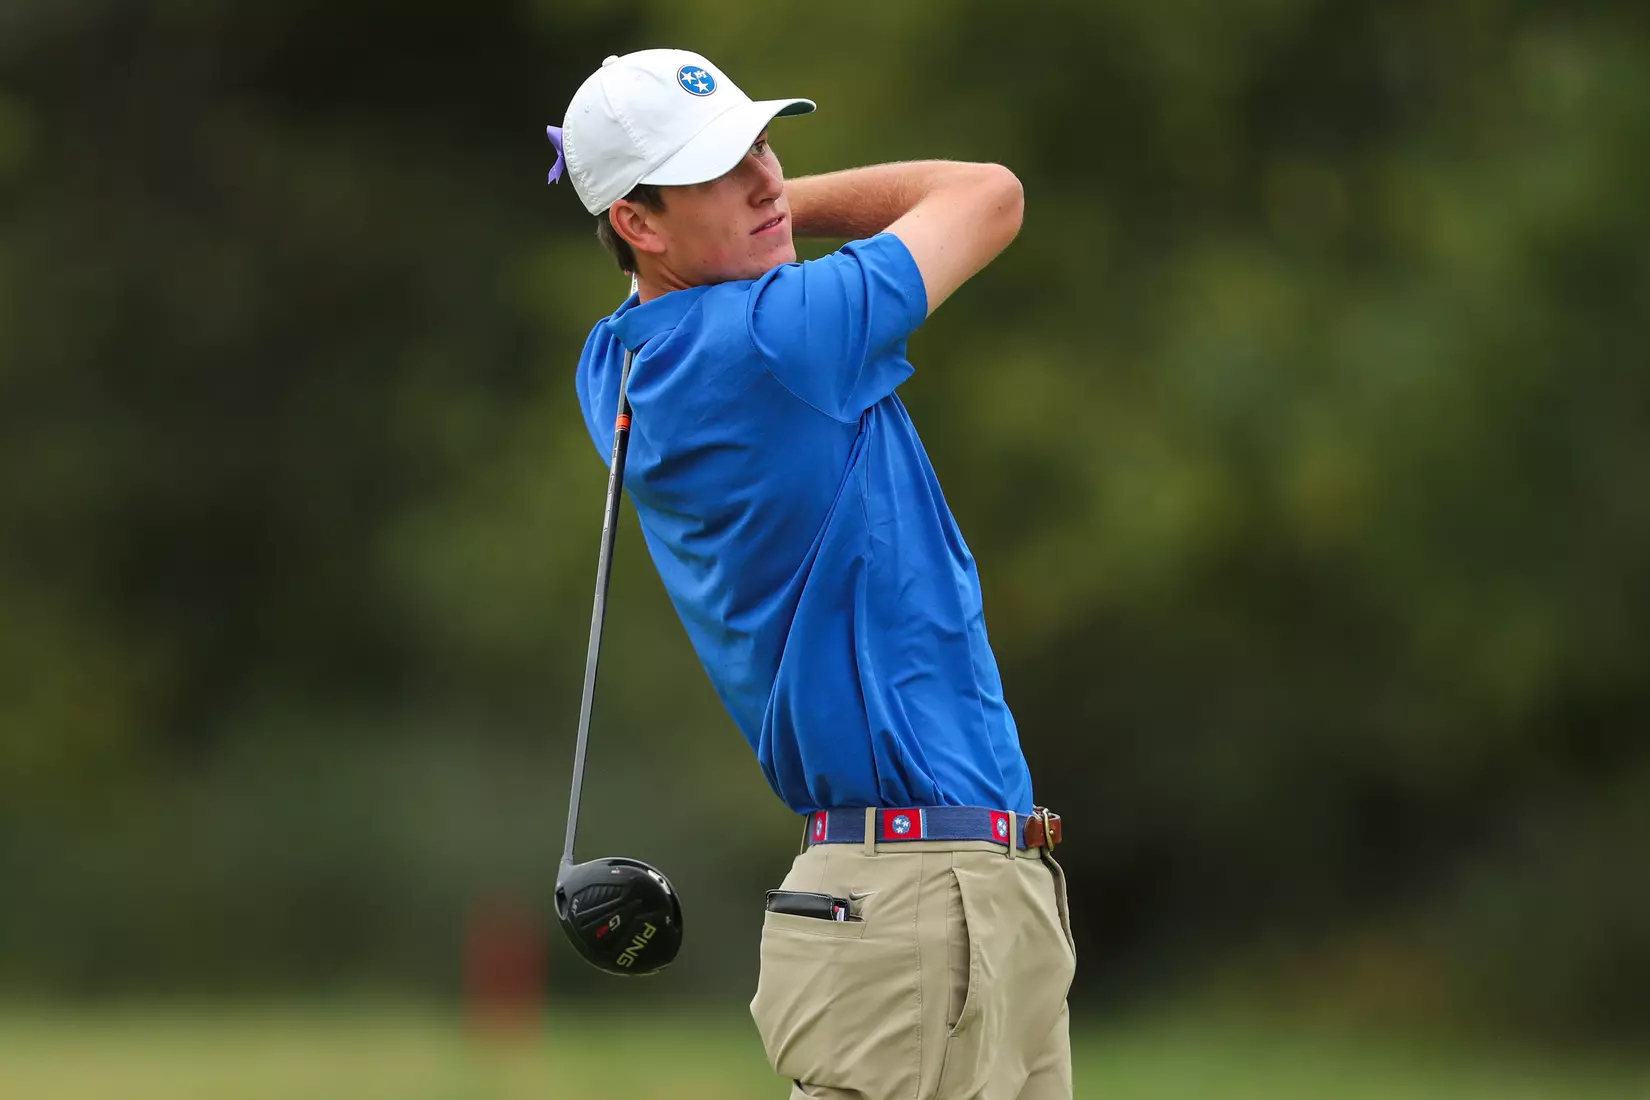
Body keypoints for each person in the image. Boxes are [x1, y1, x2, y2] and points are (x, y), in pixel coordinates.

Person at [549, 48, 1076, 1100]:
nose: (765, 181)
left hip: (959, 900)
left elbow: (686, 267)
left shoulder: (616, 360)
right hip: (919, 910)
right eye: (716, 170)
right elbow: (987, 194)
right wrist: (797, 209)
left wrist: (743, 211)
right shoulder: (776, 337)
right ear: (639, 223)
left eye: (762, 149)